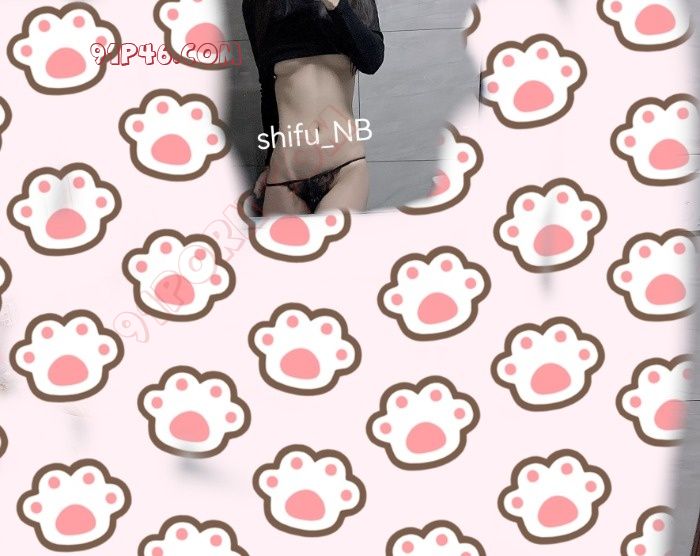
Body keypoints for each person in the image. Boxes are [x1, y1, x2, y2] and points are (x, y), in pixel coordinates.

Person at [242, 0, 384, 216]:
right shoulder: (258, 4)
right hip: (285, 175)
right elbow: (268, 90)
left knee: (332, 239)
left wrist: (336, 5)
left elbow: (372, 60)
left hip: (344, 169)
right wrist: (269, 162)